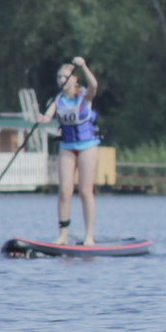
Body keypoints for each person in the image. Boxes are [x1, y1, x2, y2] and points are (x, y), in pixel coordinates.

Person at [48, 57, 104, 245]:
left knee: (85, 191)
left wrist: (83, 66)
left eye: (65, 77)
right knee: (64, 191)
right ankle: (63, 235)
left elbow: (94, 85)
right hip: (67, 146)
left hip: (87, 145)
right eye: (59, 77)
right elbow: (46, 117)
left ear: (74, 79)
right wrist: (38, 117)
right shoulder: (57, 100)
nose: (61, 80)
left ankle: (89, 236)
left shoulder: (84, 96)